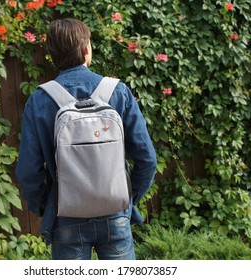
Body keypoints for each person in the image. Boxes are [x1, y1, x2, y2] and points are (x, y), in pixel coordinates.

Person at [15, 18, 157, 260]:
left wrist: (48, 206)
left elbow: (29, 172)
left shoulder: (40, 100)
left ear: (52, 56)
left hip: (66, 216)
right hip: (115, 214)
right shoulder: (117, 92)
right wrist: (126, 201)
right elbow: (147, 159)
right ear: (86, 49)